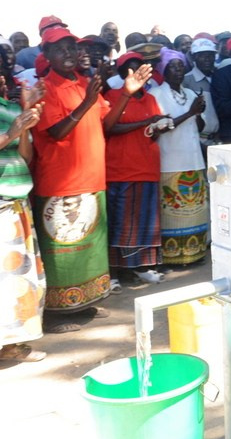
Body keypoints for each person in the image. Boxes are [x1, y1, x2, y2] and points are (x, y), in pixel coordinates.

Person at [32, 27, 151, 329]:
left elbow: (107, 124)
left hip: (93, 177)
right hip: (61, 182)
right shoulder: (46, 88)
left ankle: (85, 301)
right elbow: (56, 132)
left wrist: (126, 93)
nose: (69, 54)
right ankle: (57, 313)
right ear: (45, 55)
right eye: (59, 49)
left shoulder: (85, 83)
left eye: (72, 47)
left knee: (90, 249)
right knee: (62, 251)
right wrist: (86, 102)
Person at [104, 52, 168, 284]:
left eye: (141, 67)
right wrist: (144, 123)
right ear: (122, 73)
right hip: (121, 168)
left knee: (143, 224)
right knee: (120, 224)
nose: (137, 72)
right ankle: (114, 274)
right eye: (131, 68)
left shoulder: (150, 98)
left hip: (147, 166)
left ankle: (140, 267)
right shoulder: (112, 95)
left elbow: (152, 129)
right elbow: (109, 128)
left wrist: (160, 125)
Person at [150, 49, 209, 266]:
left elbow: (199, 126)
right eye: (173, 67)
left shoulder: (191, 94)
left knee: (194, 210)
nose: (178, 71)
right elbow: (160, 128)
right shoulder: (156, 95)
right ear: (163, 70)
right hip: (170, 161)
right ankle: (173, 257)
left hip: (193, 158)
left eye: (181, 66)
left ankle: (196, 253)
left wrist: (199, 111)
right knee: (173, 214)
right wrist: (190, 113)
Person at [0, 87, 47, 362]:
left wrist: (25, 123)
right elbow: (10, 138)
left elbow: (26, 156)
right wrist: (12, 133)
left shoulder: (10, 107)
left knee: (18, 277)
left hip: (16, 202)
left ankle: (11, 345)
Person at [183, 38, 220, 155]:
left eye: (210, 55)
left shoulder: (220, 77)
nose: (207, 59)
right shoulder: (186, 81)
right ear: (194, 57)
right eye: (202, 55)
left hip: (218, 139)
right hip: (197, 141)